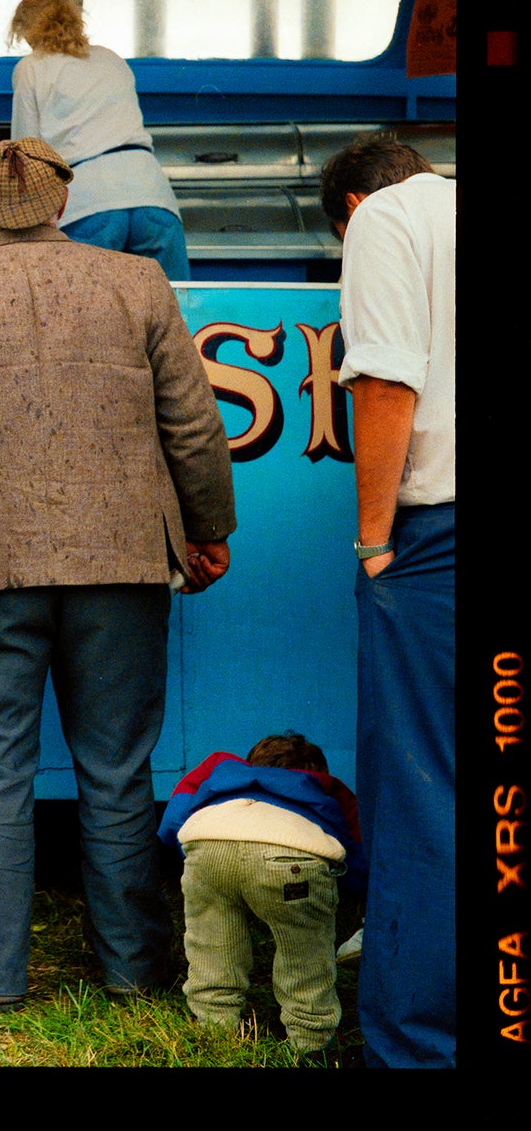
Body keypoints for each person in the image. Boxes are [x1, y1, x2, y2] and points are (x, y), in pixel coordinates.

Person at [0, 136, 235, 1008]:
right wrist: (208, 530)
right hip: (122, 565)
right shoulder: (138, 284)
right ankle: (134, 968)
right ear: (62, 205)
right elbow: (192, 428)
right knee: (116, 767)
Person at [319, 134, 455, 1068]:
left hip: (441, 539)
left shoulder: (389, 221)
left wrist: (374, 541)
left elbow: (385, 377)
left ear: (351, 209)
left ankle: (414, 1047)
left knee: (424, 790)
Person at [159, 731, 366, 1054]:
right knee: (304, 951)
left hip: (209, 843)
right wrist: (353, 886)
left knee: (212, 943)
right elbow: (358, 847)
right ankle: (311, 1040)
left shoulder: (222, 767)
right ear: (316, 771)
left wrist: (191, 854)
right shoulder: (326, 786)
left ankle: (214, 1026)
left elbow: (173, 818)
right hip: (291, 856)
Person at [7, 0, 189, 281]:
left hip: (90, 204)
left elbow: (25, 157)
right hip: (153, 198)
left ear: (27, 29)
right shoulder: (112, 59)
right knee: (173, 314)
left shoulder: (32, 68)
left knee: (86, 321)